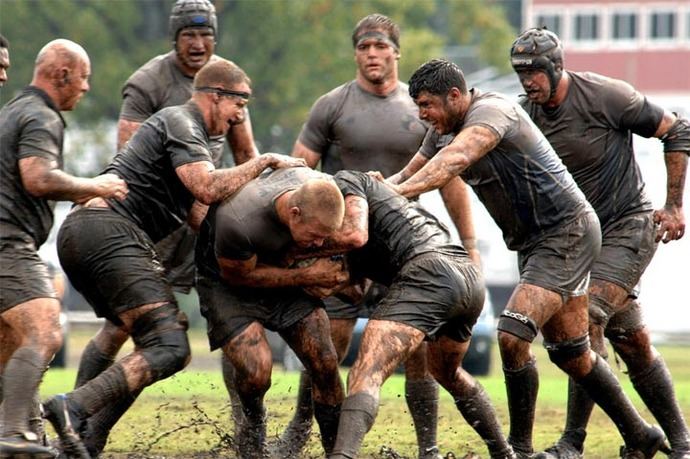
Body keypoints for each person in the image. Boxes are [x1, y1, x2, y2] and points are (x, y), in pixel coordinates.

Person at [386, 59, 670, 459]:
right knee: (572, 354)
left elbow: (452, 163)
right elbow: (408, 177)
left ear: (455, 96)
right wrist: (374, 189)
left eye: (427, 105)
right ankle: (640, 433)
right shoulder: (441, 131)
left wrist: (397, 192)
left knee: (512, 334)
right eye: (418, 107)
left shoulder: (492, 111)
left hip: (566, 232)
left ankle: (516, 450)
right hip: (536, 243)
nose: (423, 115)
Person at [41, 58, 304, 458]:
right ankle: (73, 407)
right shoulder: (181, 121)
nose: (240, 117)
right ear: (215, 97)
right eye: (240, 105)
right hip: (106, 231)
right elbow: (207, 187)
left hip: (91, 234)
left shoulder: (192, 137)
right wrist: (265, 161)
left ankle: (85, 440)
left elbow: (203, 216)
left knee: (152, 338)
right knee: (171, 345)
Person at [71, 1, 261, 453]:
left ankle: (248, 437)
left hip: (204, 214)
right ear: (173, 39)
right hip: (151, 220)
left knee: (234, 320)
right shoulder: (150, 83)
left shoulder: (229, 85)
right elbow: (129, 161)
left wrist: (245, 220)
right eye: (187, 36)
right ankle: (82, 424)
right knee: (132, 329)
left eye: (205, 36)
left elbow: (245, 155)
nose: (197, 44)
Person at [286, 14, 479, 459]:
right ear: (356, 54)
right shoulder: (331, 106)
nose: (372, 55)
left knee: (415, 349)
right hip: (344, 249)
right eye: (364, 48)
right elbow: (298, 171)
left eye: (380, 47)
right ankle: (300, 433)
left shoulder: (422, 109)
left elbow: (450, 179)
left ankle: (427, 447)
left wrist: (468, 245)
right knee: (324, 345)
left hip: (406, 248)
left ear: (396, 52)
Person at [510, 28, 690, 459]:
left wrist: (673, 206)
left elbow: (677, 130)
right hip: (575, 239)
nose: (528, 81)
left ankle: (573, 441)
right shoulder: (522, 116)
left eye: (535, 72)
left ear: (557, 68)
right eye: (520, 73)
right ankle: (680, 444)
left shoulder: (607, 96)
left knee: (586, 318)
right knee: (632, 340)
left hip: (626, 226)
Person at [300, 170, 513, 459]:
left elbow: (355, 234)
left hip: (429, 271)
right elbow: (352, 291)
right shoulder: (394, 213)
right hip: (467, 279)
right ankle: (505, 453)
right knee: (447, 372)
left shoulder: (347, 181)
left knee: (365, 375)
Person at [0, 39, 128, 457]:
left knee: (13, 350)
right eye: (84, 77)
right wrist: (95, 185)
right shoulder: (40, 115)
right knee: (45, 329)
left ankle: (30, 436)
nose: (87, 87)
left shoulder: (13, 110)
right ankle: (13, 434)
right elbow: (38, 177)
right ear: (63, 73)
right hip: (8, 241)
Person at [195, 166, 348, 458]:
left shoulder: (323, 192)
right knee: (257, 371)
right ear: (294, 213)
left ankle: (337, 452)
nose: (318, 244)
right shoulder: (238, 220)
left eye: (324, 239)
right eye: (315, 236)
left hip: (285, 273)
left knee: (325, 362)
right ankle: (252, 430)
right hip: (228, 283)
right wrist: (309, 276)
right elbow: (240, 277)